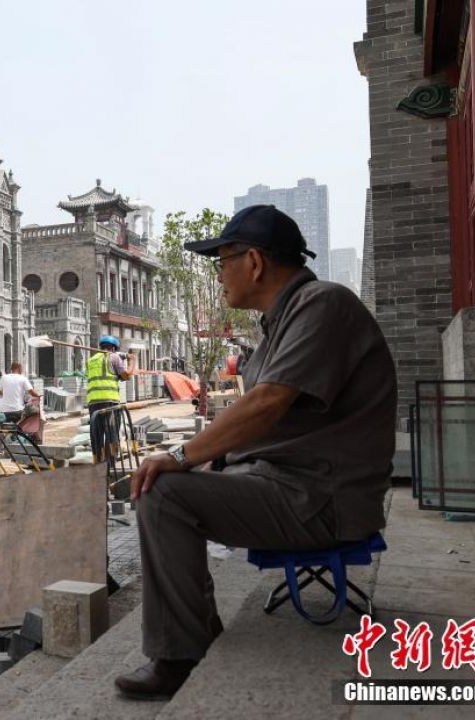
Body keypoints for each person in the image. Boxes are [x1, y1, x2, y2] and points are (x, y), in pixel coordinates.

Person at [114, 204, 396, 700]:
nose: (219, 275)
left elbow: (267, 403)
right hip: (289, 485)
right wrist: (212, 457)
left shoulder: (322, 304)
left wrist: (181, 456)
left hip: (318, 498)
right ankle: (192, 630)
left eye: (222, 261)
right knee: (170, 487)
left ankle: (181, 654)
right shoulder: (285, 319)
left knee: (163, 492)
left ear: (255, 262)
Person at [85, 335, 136, 463]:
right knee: (111, 433)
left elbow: (106, 375)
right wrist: (131, 361)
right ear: (113, 348)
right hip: (110, 402)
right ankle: (110, 462)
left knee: (96, 434)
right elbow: (127, 376)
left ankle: (97, 461)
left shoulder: (91, 360)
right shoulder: (114, 357)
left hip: (93, 403)